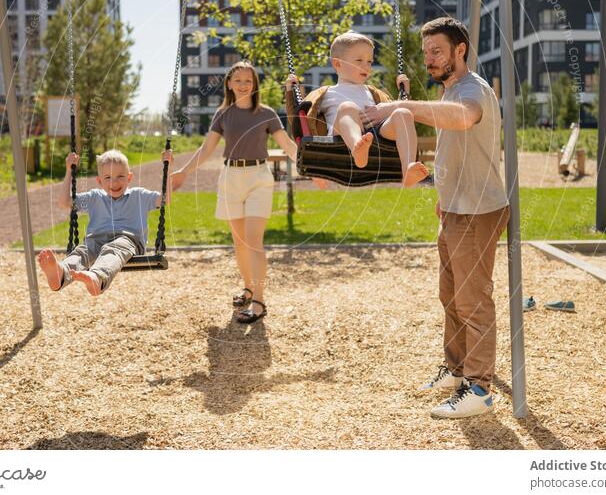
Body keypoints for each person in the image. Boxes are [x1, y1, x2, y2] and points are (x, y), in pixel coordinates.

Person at [364, 17, 509, 418]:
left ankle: (479, 388)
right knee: (451, 296)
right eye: (426, 51)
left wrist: (402, 106)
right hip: (455, 209)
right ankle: (458, 369)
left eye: (437, 51)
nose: (429, 59)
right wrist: (444, 199)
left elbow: (464, 117)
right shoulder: (451, 89)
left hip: (478, 212)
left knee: (473, 300)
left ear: (460, 51)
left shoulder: (472, 89)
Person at [170, 60, 299, 324]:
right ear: (229, 83)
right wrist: (183, 171)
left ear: (255, 85)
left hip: (258, 178)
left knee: (254, 241)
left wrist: (311, 168)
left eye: (248, 81)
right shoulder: (223, 114)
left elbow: (286, 144)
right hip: (230, 178)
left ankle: (260, 300)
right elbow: (207, 150)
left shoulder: (266, 114)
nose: (243, 85)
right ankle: (248, 287)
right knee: (239, 242)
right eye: (238, 80)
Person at [285, 31, 429, 187]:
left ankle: (408, 168)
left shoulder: (374, 93)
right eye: (359, 60)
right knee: (348, 107)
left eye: (369, 61)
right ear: (337, 63)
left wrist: (404, 96)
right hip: (339, 137)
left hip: (374, 135)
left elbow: (392, 116)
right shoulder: (325, 92)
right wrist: (290, 92)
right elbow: (299, 119)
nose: (366, 66)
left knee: (403, 113)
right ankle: (357, 148)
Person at [37, 148, 172, 296]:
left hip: (128, 241)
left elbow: (165, 199)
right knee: (83, 252)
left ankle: (97, 277)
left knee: (113, 249)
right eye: (107, 177)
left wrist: (168, 166)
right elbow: (64, 202)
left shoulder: (139, 195)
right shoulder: (94, 197)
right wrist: (69, 170)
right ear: (99, 181)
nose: (113, 182)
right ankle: (61, 273)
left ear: (129, 177)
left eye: (120, 176)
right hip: (96, 239)